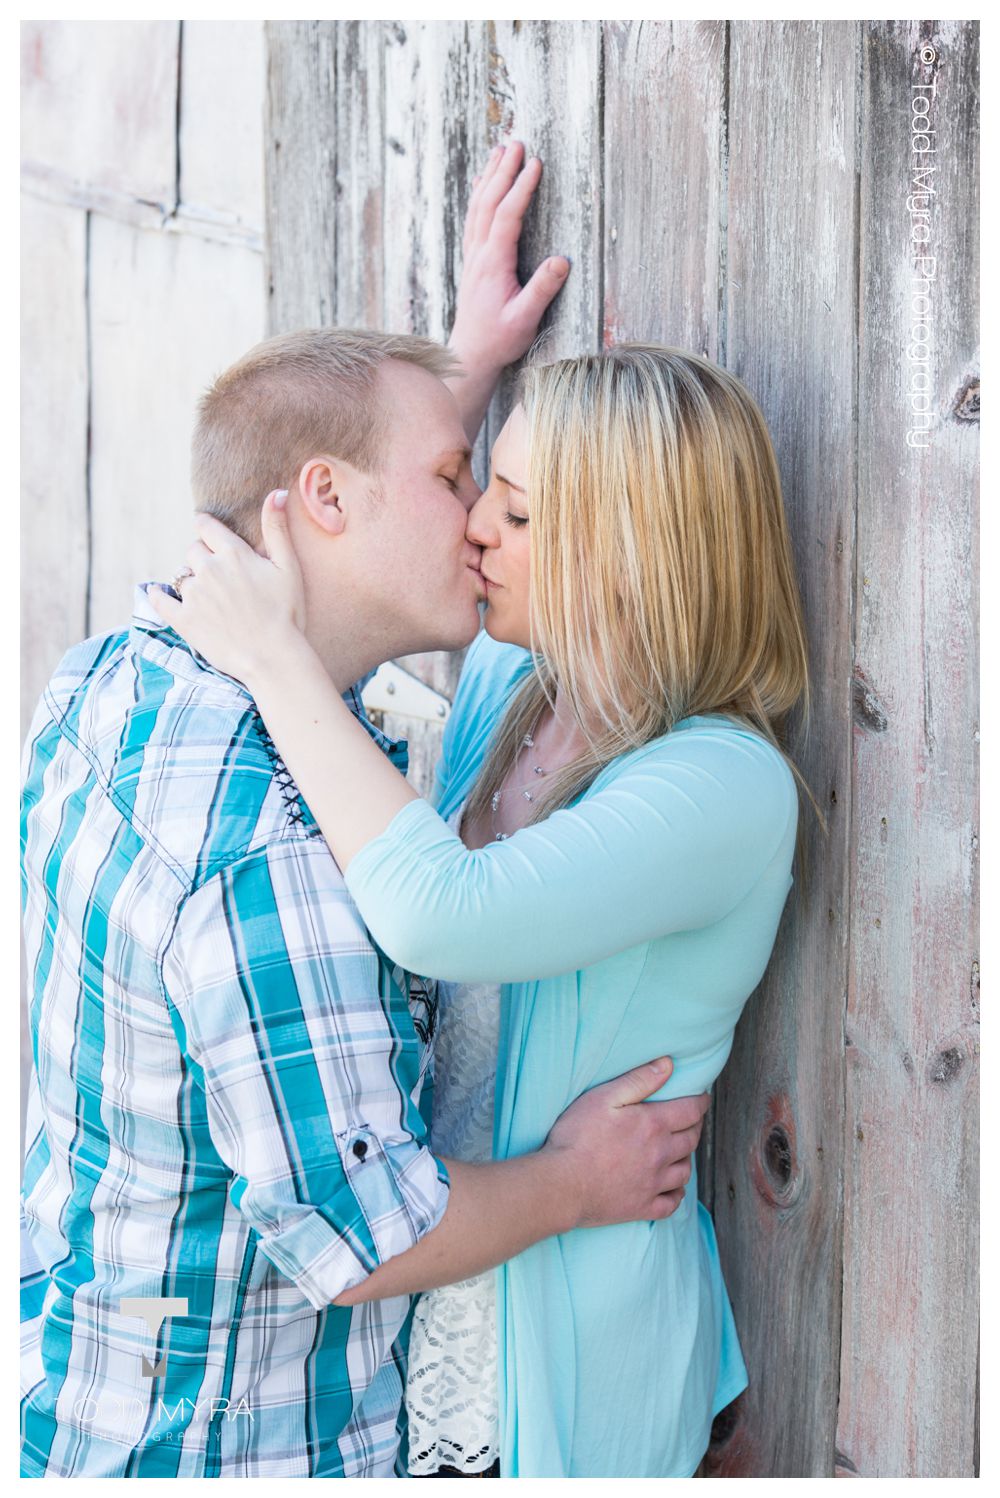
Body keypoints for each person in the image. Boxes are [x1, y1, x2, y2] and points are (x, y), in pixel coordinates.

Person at [18, 143, 709, 1481]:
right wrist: (584, 1180)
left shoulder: (112, 677)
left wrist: (452, 374)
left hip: (85, 1393)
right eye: (460, 477)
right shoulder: (268, 851)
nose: (481, 521)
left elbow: (322, 482)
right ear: (322, 502)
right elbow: (367, 1235)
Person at [150, 318, 817, 1475]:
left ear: (624, 548)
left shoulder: (721, 785)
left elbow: (436, 909)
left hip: (564, 1368)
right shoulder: (519, 675)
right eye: (475, 488)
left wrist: (273, 660)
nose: (474, 528)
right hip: (435, 1298)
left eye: (513, 511)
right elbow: (379, 513)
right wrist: (461, 358)